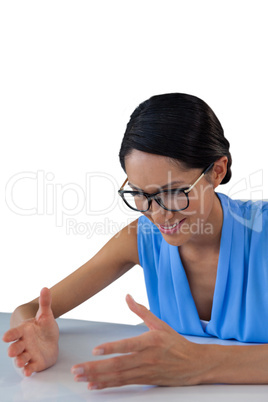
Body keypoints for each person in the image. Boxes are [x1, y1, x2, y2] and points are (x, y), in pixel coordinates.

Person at [3, 93, 268, 390]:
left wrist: (200, 363)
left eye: (173, 192)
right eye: (142, 194)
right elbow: (29, 311)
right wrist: (33, 338)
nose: (158, 215)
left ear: (216, 171)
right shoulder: (141, 237)